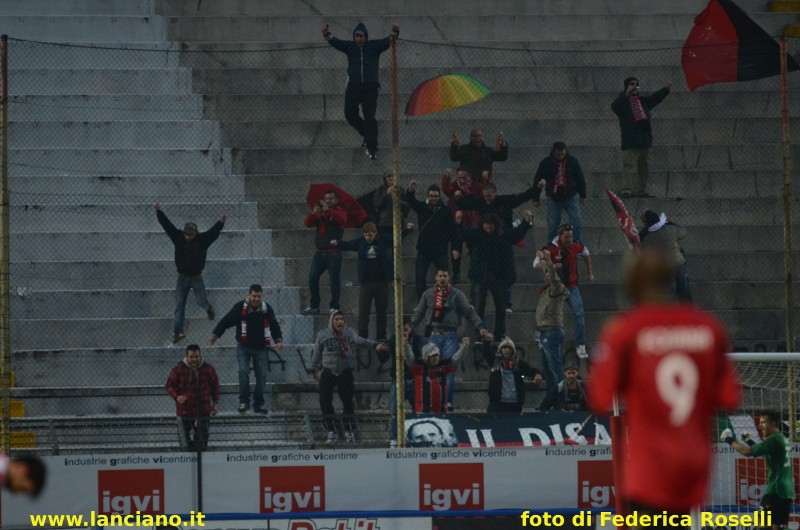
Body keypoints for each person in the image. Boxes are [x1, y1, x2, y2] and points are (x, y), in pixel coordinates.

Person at [588, 247, 741, 515]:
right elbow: (729, 398)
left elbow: (600, 398)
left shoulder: (626, 331)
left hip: (650, 466)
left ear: (632, 284)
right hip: (693, 464)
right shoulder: (708, 327)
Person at [410, 269, 493, 411]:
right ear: (436, 277)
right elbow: (419, 313)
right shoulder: (428, 294)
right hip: (433, 334)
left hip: (450, 334)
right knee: (431, 368)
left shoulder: (456, 294)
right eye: (440, 275)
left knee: (448, 369)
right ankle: (431, 400)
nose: (443, 278)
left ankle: (447, 402)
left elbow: (468, 312)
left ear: (449, 278)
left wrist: (481, 327)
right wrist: (409, 328)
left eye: (445, 276)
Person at [322, 22, 399, 160]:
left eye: (361, 36)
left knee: (370, 117)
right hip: (354, 87)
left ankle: (372, 148)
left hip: (370, 87)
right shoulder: (350, 47)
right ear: (354, 37)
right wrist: (326, 34)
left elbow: (389, 40)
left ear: (366, 37)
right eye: (357, 36)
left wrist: (395, 31)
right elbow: (336, 42)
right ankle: (367, 135)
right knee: (349, 114)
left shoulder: (373, 46)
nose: (359, 39)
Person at [310, 311, 389, 445]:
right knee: (325, 401)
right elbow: (317, 352)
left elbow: (360, 341)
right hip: (328, 372)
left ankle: (348, 429)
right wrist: (313, 369)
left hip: (345, 371)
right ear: (332, 321)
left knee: (347, 401)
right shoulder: (323, 334)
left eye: (342, 319)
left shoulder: (348, 332)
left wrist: (375, 345)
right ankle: (331, 430)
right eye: (337, 319)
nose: (340, 322)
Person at [456, 182, 537, 312]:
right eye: (485, 196)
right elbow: (466, 206)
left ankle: (506, 303)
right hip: (484, 244)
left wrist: (536, 190)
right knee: (479, 275)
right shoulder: (480, 206)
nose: (487, 199)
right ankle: (474, 301)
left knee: (505, 271)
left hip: (502, 243)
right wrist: (458, 199)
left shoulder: (504, 203)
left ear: (495, 193)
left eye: (489, 196)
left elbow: (521, 198)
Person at [155, 203, 226, 344]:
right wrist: (159, 212)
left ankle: (208, 308)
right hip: (182, 278)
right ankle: (178, 332)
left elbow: (213, 232)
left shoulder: (203, 240)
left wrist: (221, 222)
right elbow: (167, 225)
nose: (187, 237)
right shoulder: (178, 237)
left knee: (200, 301)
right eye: (186, 234)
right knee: (179, 306)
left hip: (196, 277)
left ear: (196, 233)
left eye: (190, 234)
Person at [458, 211, 534, 340]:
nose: (488, 230)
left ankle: (499, 333)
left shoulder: (502, 234)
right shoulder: (478, 233)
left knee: (500, 306)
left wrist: (525, 222)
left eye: (490, 227)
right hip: (480, 275)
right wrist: (459, 223)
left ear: (495, 225)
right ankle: (479, 333)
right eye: (486, 227)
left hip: (498, 276)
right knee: (479, 306)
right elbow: (464, 233)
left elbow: (516, 235)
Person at [209, 284, 283, 414]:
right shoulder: (239, 307)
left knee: (261, 376)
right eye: (254, 296)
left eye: (258, 296)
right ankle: (244, 401)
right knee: (243, 371)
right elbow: (226, 321)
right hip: (243, 347)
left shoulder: (266, 309)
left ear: (262, 296)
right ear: (249, 295)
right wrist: (215, 335)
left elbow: (275, 326)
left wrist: (278, 340)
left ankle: (258, 404)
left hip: (260, 348)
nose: (256, 299)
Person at [337, 221, 412, 340]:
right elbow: (349, 245)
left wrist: (407, 230)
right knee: (364, 311)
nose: (368, 238)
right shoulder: (361, 242)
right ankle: (362, 335)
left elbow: (396, 238)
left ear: (375, 233)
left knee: (381, 310)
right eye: (366, 235)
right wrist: (337, 243)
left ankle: (381, 335)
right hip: (366, 283)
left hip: (381, 282)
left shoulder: (382, 240)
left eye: (370, 235)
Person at [722, 410, 795, 530]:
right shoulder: (782, 438)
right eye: (760, 422)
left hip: (775, 490)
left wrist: (729, 440)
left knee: (762, 525)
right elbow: (765, 455)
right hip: (785, 491)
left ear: (774, 423)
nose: (760, 425)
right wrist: (749, 440)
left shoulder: (773, 439)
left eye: (764, 422)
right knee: (775, 526)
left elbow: (748, 452)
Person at [534, 223, 594, 359]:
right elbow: (535, 262)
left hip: (571, 286)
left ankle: (580, 345)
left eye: (571, 237)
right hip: (555, 286)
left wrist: (589, 272)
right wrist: (549, 267)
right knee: (546, 313)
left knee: (579, 313)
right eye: (566, 237)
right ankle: (539, 336)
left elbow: (586, 253)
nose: (569, 240)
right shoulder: (550, 248)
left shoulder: (576, 245)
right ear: (560, 236)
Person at [611, 77, 672, 198]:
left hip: (644, 140)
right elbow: (614, 107)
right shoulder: (622, 102)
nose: (634, 86)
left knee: (643, 167)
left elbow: (654, 98)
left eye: (636, 84)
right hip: (630, 140)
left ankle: (641, 190)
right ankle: (626, 189)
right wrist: (626, 94)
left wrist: (665, 90)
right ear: (626, 86)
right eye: (631, 84)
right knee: (628, 166)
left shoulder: (642, 101)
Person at [404, 181, 458, 300]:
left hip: (440, 250)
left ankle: (443, 300)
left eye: (436, 196)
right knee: (420, 277)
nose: (434, 198)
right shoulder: (423, 207)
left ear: (439, 196)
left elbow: (452, 231)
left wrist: (455, 248)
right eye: (431, 196)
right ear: (428, 196)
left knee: (444, 278)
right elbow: (411, 201)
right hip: (424, 249)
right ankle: (422, 302)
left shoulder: (445, 211)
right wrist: (411, 190)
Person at [378, 317, 425, 447]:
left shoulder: (417, 339)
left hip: (414, 379)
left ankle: (420, 437)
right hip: (398, 379)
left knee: (419, 410)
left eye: (407, 327)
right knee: (394, 411)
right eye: (402, 327)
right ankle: (394, 438)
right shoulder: (393, 339)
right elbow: (384, 358)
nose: (405, 330)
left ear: (411, 327)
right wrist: (381, 350)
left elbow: (420, 357)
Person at [165, 344, 220, 451]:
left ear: (200, 355)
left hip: (203, 411)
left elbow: (215, 386)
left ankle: (200, 464)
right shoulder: (179, 369)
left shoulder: (208, 369)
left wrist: (215, 403)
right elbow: (169, 385)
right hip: (184, 411)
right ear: (186, 356)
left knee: (202, 444)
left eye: (196, 356)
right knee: (184, 444)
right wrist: (177, 397)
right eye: (191, 357)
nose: (194, 359)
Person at [302, 189, 348, 314]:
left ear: (336, 200)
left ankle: (334, 306)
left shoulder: (339, 211)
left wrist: (329, 211)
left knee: (334, 280)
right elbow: (307, 223)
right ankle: (315, 305)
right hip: (320, 252)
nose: (328, 200)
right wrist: (313, 213)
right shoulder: (319, 213)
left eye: (331, 198)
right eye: (326, 198)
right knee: (312, 278)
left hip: (334, 252)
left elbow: (343, 220)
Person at [535, 250, 571, 411]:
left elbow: (554, 277)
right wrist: (543, 260)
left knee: (555, 368)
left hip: (551, 331)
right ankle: (552, 400)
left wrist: (549, 261)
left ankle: (561, 400)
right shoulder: (548, 288)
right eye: (546, 275)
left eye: (549, 274)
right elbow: (548, 272)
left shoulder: (556, 288)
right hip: (543, 332)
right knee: (548, 370)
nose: (546, 276)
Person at [532, 141, 587, 243]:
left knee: (576, 220)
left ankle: (578, 244)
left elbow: (580, 178)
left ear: (566, 152)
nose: (560, 157)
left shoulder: (572, 162)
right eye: (558, 154)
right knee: (553, 224)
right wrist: (536, 197)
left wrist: (582, 194)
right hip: (554, 197)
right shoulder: (546, 163)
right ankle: (552, 245)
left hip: (570, 196)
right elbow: (538, 180)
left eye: (562, 154)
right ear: (553, 153)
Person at [440, 167, 483, 283]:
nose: (462, 180)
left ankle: (475, 273)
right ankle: (456, 273)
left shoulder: (475, 186)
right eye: (459, 177)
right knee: (455, 251)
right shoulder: (454, 186)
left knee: (474, 250)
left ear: (469, 176)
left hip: (471, 223)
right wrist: (447, 177)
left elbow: (485, 192)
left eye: (464, 177)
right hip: (457, 223)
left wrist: (487, 180)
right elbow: (445, 189)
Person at [404, 340, 469, 414]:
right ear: (426, 356)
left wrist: (464, 347)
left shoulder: (443, 366)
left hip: (441, 412)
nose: (436, 358)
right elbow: (409, 359)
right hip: (422, 412)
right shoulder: (420, 367)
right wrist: (406, 344)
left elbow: (456, 359)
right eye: (433, 356)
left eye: (437, 355)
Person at [640, 210, 692, 301]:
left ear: (647, 223)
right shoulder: (670, 228)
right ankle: (687, 310)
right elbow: (683, 233)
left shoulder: (647, 235)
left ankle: (671, 311)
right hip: (678, 262)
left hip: (665, 266)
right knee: (684, 288)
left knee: (669, 291)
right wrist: (673, 222)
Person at [483, 337, 543, 414]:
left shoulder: (519, 364)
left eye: (509, 348)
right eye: (504, 348)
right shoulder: (495, 362)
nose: (507, 350)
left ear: (513, 351)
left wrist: (537, 374)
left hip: (515, 404)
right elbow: (486, 352)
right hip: (497, 403)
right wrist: (486, 342)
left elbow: (532, 371)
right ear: (500, 350)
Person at [372, 169, 407, 236]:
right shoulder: (380, 190)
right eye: (388, 176)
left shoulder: (401, 190)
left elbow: (406, 207)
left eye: (392, 176)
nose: (390, 178)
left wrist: (396, 200)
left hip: (398, 222)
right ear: (385, 179)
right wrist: (386, 194)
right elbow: (377, 205)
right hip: (384, 223)